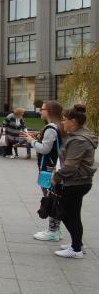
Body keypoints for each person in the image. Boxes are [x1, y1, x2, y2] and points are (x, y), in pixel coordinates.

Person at [51, 105, 97, 259]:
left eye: (65, 120)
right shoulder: (80, 135)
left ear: (73, 121)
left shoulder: (78, 140)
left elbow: (71, 166)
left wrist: (57, 176)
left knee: (67, 214)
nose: (63, 123)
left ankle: (76, 249)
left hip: (75, 182)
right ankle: (76, 244)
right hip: (78, 181)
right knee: (71, 214)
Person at [22, 101, 63, 242]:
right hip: (56, 168)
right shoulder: (59, 126)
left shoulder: (51, 128)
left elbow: (45, 149)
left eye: (42, 109)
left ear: (49, 111)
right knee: (55, 197)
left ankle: (53, 231)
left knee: (51, 198)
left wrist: (30, 141)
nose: (40, 112)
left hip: (49, 169)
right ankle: (55, 228)